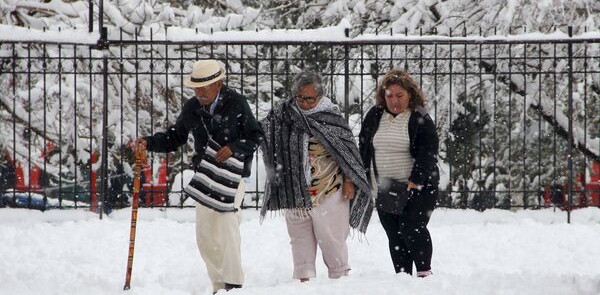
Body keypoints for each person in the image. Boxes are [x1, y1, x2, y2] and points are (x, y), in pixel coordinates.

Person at [135, 59, 263, 293]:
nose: (199, 93)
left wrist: (235, 147)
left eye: (204, 87)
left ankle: (234, 285)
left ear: (219, 84)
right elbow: (175, 137)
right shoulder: (192, 107)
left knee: (227, 228)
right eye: (196, 88)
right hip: (205, 175)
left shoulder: (237, 103)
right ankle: (218, 284)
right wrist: (149, 142)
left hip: (233, 177)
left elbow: (256, 136)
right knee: (205, 236)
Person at [260, 71, 374, 282]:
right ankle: (304, 281)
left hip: (329, 190)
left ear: (320, 96)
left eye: (309, 98)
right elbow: (263, 133)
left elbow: (347, 154)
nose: (304, 103)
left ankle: (339, 278)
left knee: (332, 241)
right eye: (300, 98)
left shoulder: (331, 118)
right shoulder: (284, 115)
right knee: (299, 241)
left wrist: (350, 181)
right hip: (294, 191)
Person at [359, 69, 439, 277]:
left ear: (410, 95)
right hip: (385, 188)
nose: (394, 100)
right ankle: (402, 279)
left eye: (399, 95)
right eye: (389, 95)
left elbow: (428, 151)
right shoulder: (375, 115)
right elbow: (364, 146)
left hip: (416, 188)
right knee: (395, 236)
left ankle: (424, 274)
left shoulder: (418, 117)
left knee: (411, 228)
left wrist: (416, 179)